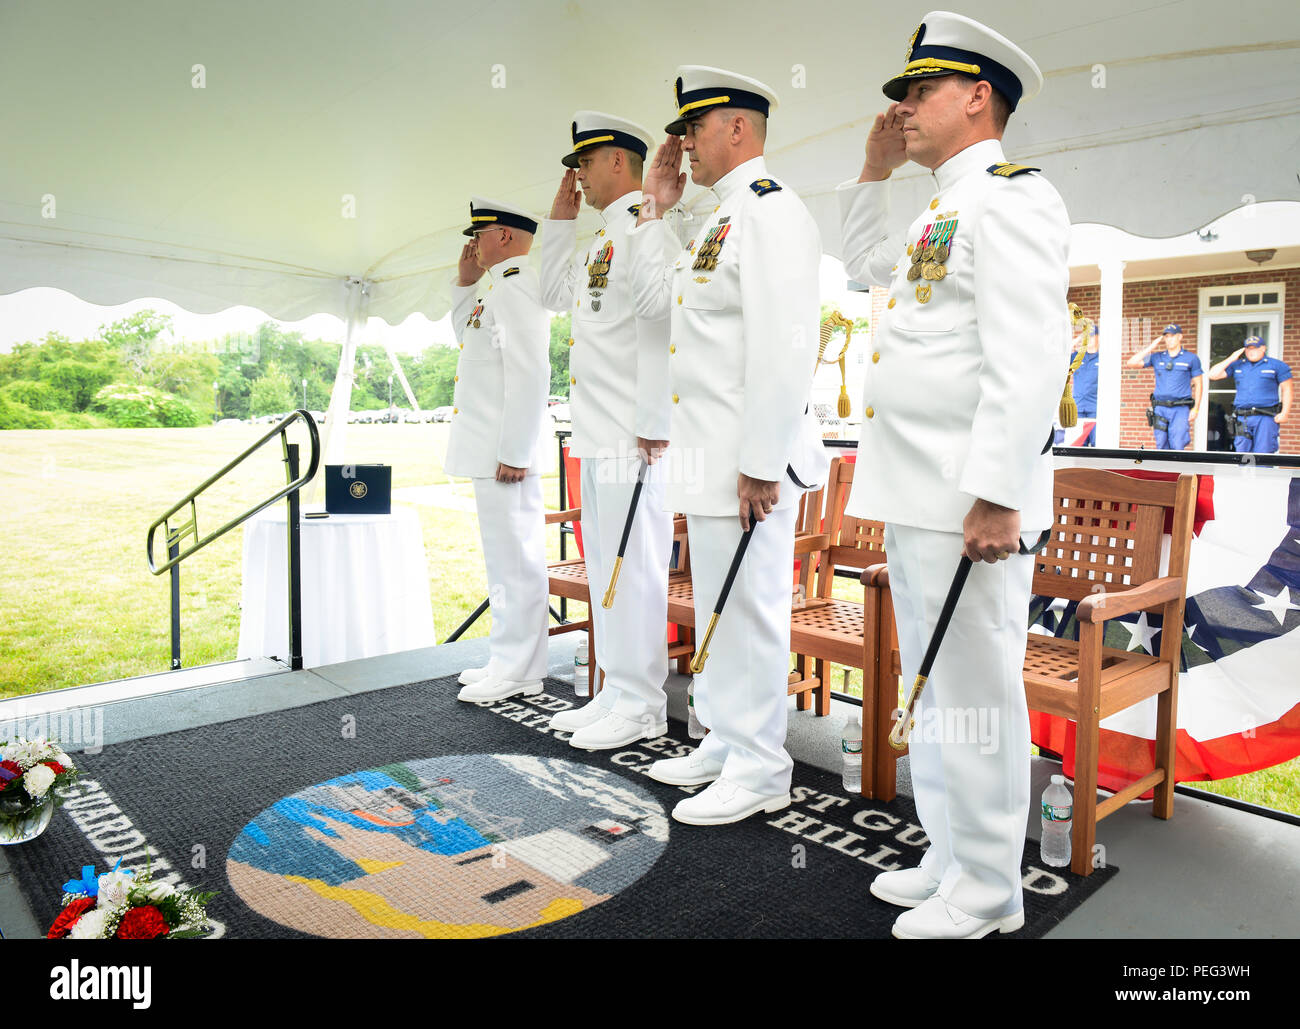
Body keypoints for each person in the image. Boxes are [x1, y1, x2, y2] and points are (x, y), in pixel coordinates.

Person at [836, 11, 1070, 938]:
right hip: (921, 492)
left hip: (970, 500)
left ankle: (987, 890)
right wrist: (870, 176)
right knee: (932, 688)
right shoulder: (943, 203)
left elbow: (1028, 355)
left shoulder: (1011, 196)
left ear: (979, 97)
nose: (902, 109)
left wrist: (1001, 493)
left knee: (973, 691)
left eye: (920, 91)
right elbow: (864, 270)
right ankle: (950, 850)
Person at [627, 66, 829, 826]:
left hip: (748, 462)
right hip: (710, 456)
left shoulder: (772, 213)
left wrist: (758, 463)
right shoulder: (715, 218)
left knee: (750, 613)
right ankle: (724, 740)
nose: (682, 144)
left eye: (693, 129)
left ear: (737, 128)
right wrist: (655, 208)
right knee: (719, 607)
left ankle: (761, 766)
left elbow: (785, 343)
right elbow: (653, 305)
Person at [538, 112, 675, 750]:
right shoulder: (599, 237)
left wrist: (653, 424)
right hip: (597, 431)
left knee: (634, 565)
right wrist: (561, 223)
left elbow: (658, 331)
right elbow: (548, 295)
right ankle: (619, 689)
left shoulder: (648, 230)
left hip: (630, 434)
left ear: (617, 161)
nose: (577, 175)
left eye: (584, 164)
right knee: (605, 566)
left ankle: (644, 703)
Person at [444, 198, 551, 703]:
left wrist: (516, 451)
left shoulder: (517, 287)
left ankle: (521, 669)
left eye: (480, 234)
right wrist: (464, 284)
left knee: (517, 563)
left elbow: (531, 373)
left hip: (506, 453)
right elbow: (469, 345)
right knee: (503, 564)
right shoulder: (495, 287)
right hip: (493, 450)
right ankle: (508, 658)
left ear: (504, 236)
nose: (473, 243)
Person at [1207, 335, 1292, 453]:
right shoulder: (1238, 365)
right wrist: (1232, 358)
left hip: (1265, 417)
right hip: (1242, 417)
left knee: (1264, 454)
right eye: (1249, 349)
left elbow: (1287, 389)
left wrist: (1285, 413)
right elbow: (1212, 375)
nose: (1252, 352)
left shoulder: (1276, 365)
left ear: (1263, 348)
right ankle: (1244, 472)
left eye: (1255, 348)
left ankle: (1263, 472)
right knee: (1242, 455)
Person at [1127, 324, 1203, 450]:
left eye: (1172, 336)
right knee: (1161, 444)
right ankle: (1165, 470)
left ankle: (1178, 469)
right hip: (1160, 408)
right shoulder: (1157, 357)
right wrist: (1150, 347)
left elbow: (1199, 384)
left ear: (1180, 337)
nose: (1169, 339)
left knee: (1178, 444)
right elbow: (1131, 363)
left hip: (1180, 408)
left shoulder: (1191, 358)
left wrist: (1196, 409)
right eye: (1166, 337)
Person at [1070, 326, 1099, 447]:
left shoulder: (1104, 357)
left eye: (1091, 336)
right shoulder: (1077, 356)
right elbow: (1064, 351)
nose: (1088, 340)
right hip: (1078, 407)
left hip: (1095, 408)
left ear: (1098, 338)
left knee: (1096, 444)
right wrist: (1080, 337)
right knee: (1078, 444)